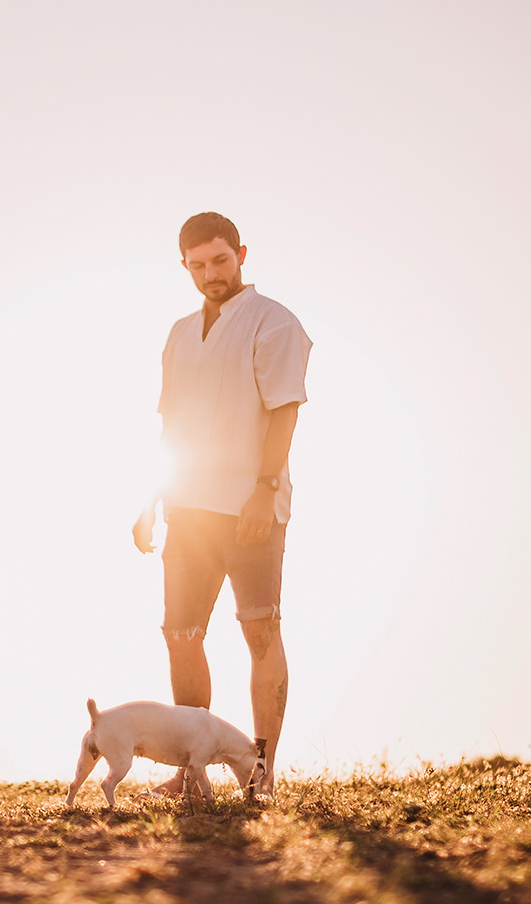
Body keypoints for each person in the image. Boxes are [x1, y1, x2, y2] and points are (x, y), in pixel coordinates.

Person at [134, 211, 311, 797]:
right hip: (186, 508)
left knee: (259, 633)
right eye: (198, 265)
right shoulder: (180, 332)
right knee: (180, 635)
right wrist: (149, 498)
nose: (211, 273)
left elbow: (285, 409)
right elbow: (173, 427)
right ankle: (193, 774)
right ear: (184, 266)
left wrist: (263, 491)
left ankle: (259, 775)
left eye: (220, 260)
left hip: (249, 509)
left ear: (240, 253)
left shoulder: (274, 322)